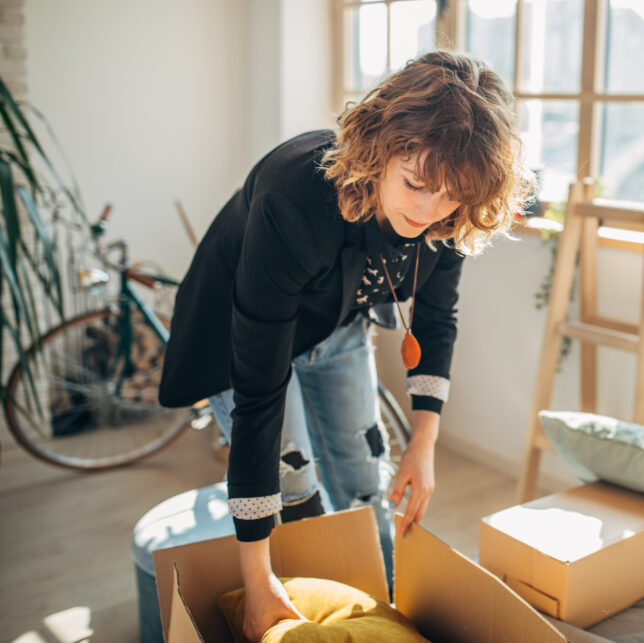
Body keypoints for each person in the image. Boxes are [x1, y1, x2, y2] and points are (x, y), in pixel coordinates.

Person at [158, 50, 531, 641]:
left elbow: (436, 320)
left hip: (334, 328)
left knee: (363, 481)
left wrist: (424, 444)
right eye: (414, 185)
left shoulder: (449, 202)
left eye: (450, 198)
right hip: (241, 337)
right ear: (381, 149)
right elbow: (259, 395)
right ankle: (287, 610)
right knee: (296, 492)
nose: (428, 211)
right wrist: (255, 581)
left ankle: (373, 613)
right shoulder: (294, 199)